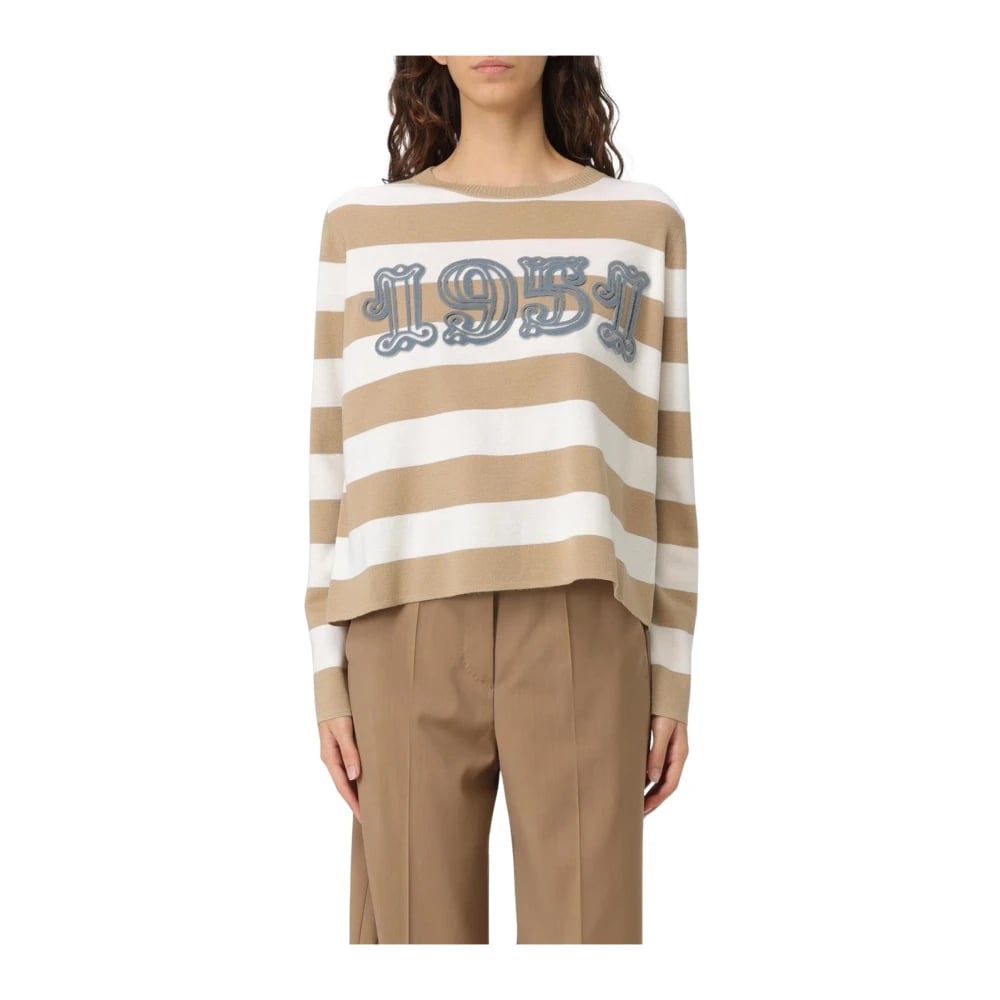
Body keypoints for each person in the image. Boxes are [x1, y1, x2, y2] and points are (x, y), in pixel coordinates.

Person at [304, 55, 699, 944]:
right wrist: (327, 672)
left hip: (586, 620)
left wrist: (672, 671)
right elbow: (333, 459)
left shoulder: (641, 224)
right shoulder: (360, 229)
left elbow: (666, 463)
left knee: (589, 941)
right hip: (398, 623)